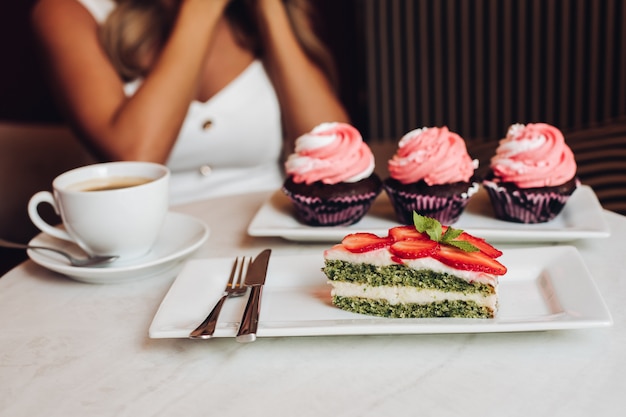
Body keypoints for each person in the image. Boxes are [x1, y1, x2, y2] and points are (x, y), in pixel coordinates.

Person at [31, 0, 349, 204]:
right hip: (140, 252)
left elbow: (335, 157)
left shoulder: (256, 14)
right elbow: (135, 157)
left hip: (264, 240)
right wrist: (201, 9)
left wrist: (270, 9)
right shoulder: (67, 11)